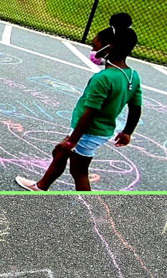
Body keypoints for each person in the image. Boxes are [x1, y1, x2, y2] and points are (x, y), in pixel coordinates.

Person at [16, 13, 141, 191]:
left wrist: (72, 141)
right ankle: (41, 186)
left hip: (89, 130)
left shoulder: (103, 78)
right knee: (59, 153)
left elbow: (91, 112)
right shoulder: (132, 76)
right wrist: (127, 132)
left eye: (95, 45)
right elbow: (136, 108)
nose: (92, 48)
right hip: (97, 130)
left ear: (108, 48)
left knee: (79, 170)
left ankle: (89, 206)